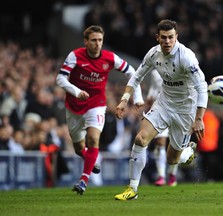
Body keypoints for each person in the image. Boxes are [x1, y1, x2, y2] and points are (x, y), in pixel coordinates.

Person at [114, 19, 208, 200]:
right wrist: (124, 100)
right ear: (157, 38)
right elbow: (136, 77)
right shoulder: (153, 54)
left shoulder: (186, 57)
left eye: (171, 37)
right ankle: (132, 189)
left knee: (172, 159)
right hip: (164, 104)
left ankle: (187, 152)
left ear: (176, 37)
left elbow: (202, 87)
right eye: (163, 37)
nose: (167, 41)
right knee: (140, 139)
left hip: (185, 110)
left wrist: (198, 118)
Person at [56, 25, 144, 195]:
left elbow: (132, 72)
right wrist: (76, 91)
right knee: (78, 148)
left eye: (100, 40)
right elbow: (60, 78)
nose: (97, 44)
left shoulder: (110, 58)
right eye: (94, 40)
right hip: (74, 107)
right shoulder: (75, 56)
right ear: (86, 41)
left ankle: (84, 180)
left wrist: (137, 97)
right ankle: (89, 158)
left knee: (93, 139)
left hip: (96, 105)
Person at [146, 69, 179, 187]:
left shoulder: (180, 66)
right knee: (160, 142)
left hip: (177, 110)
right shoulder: (155, 71)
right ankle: (161, 176)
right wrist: (150, 96)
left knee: (176, 144)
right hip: (161, 110)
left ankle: (172, 173)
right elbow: (154, 87)